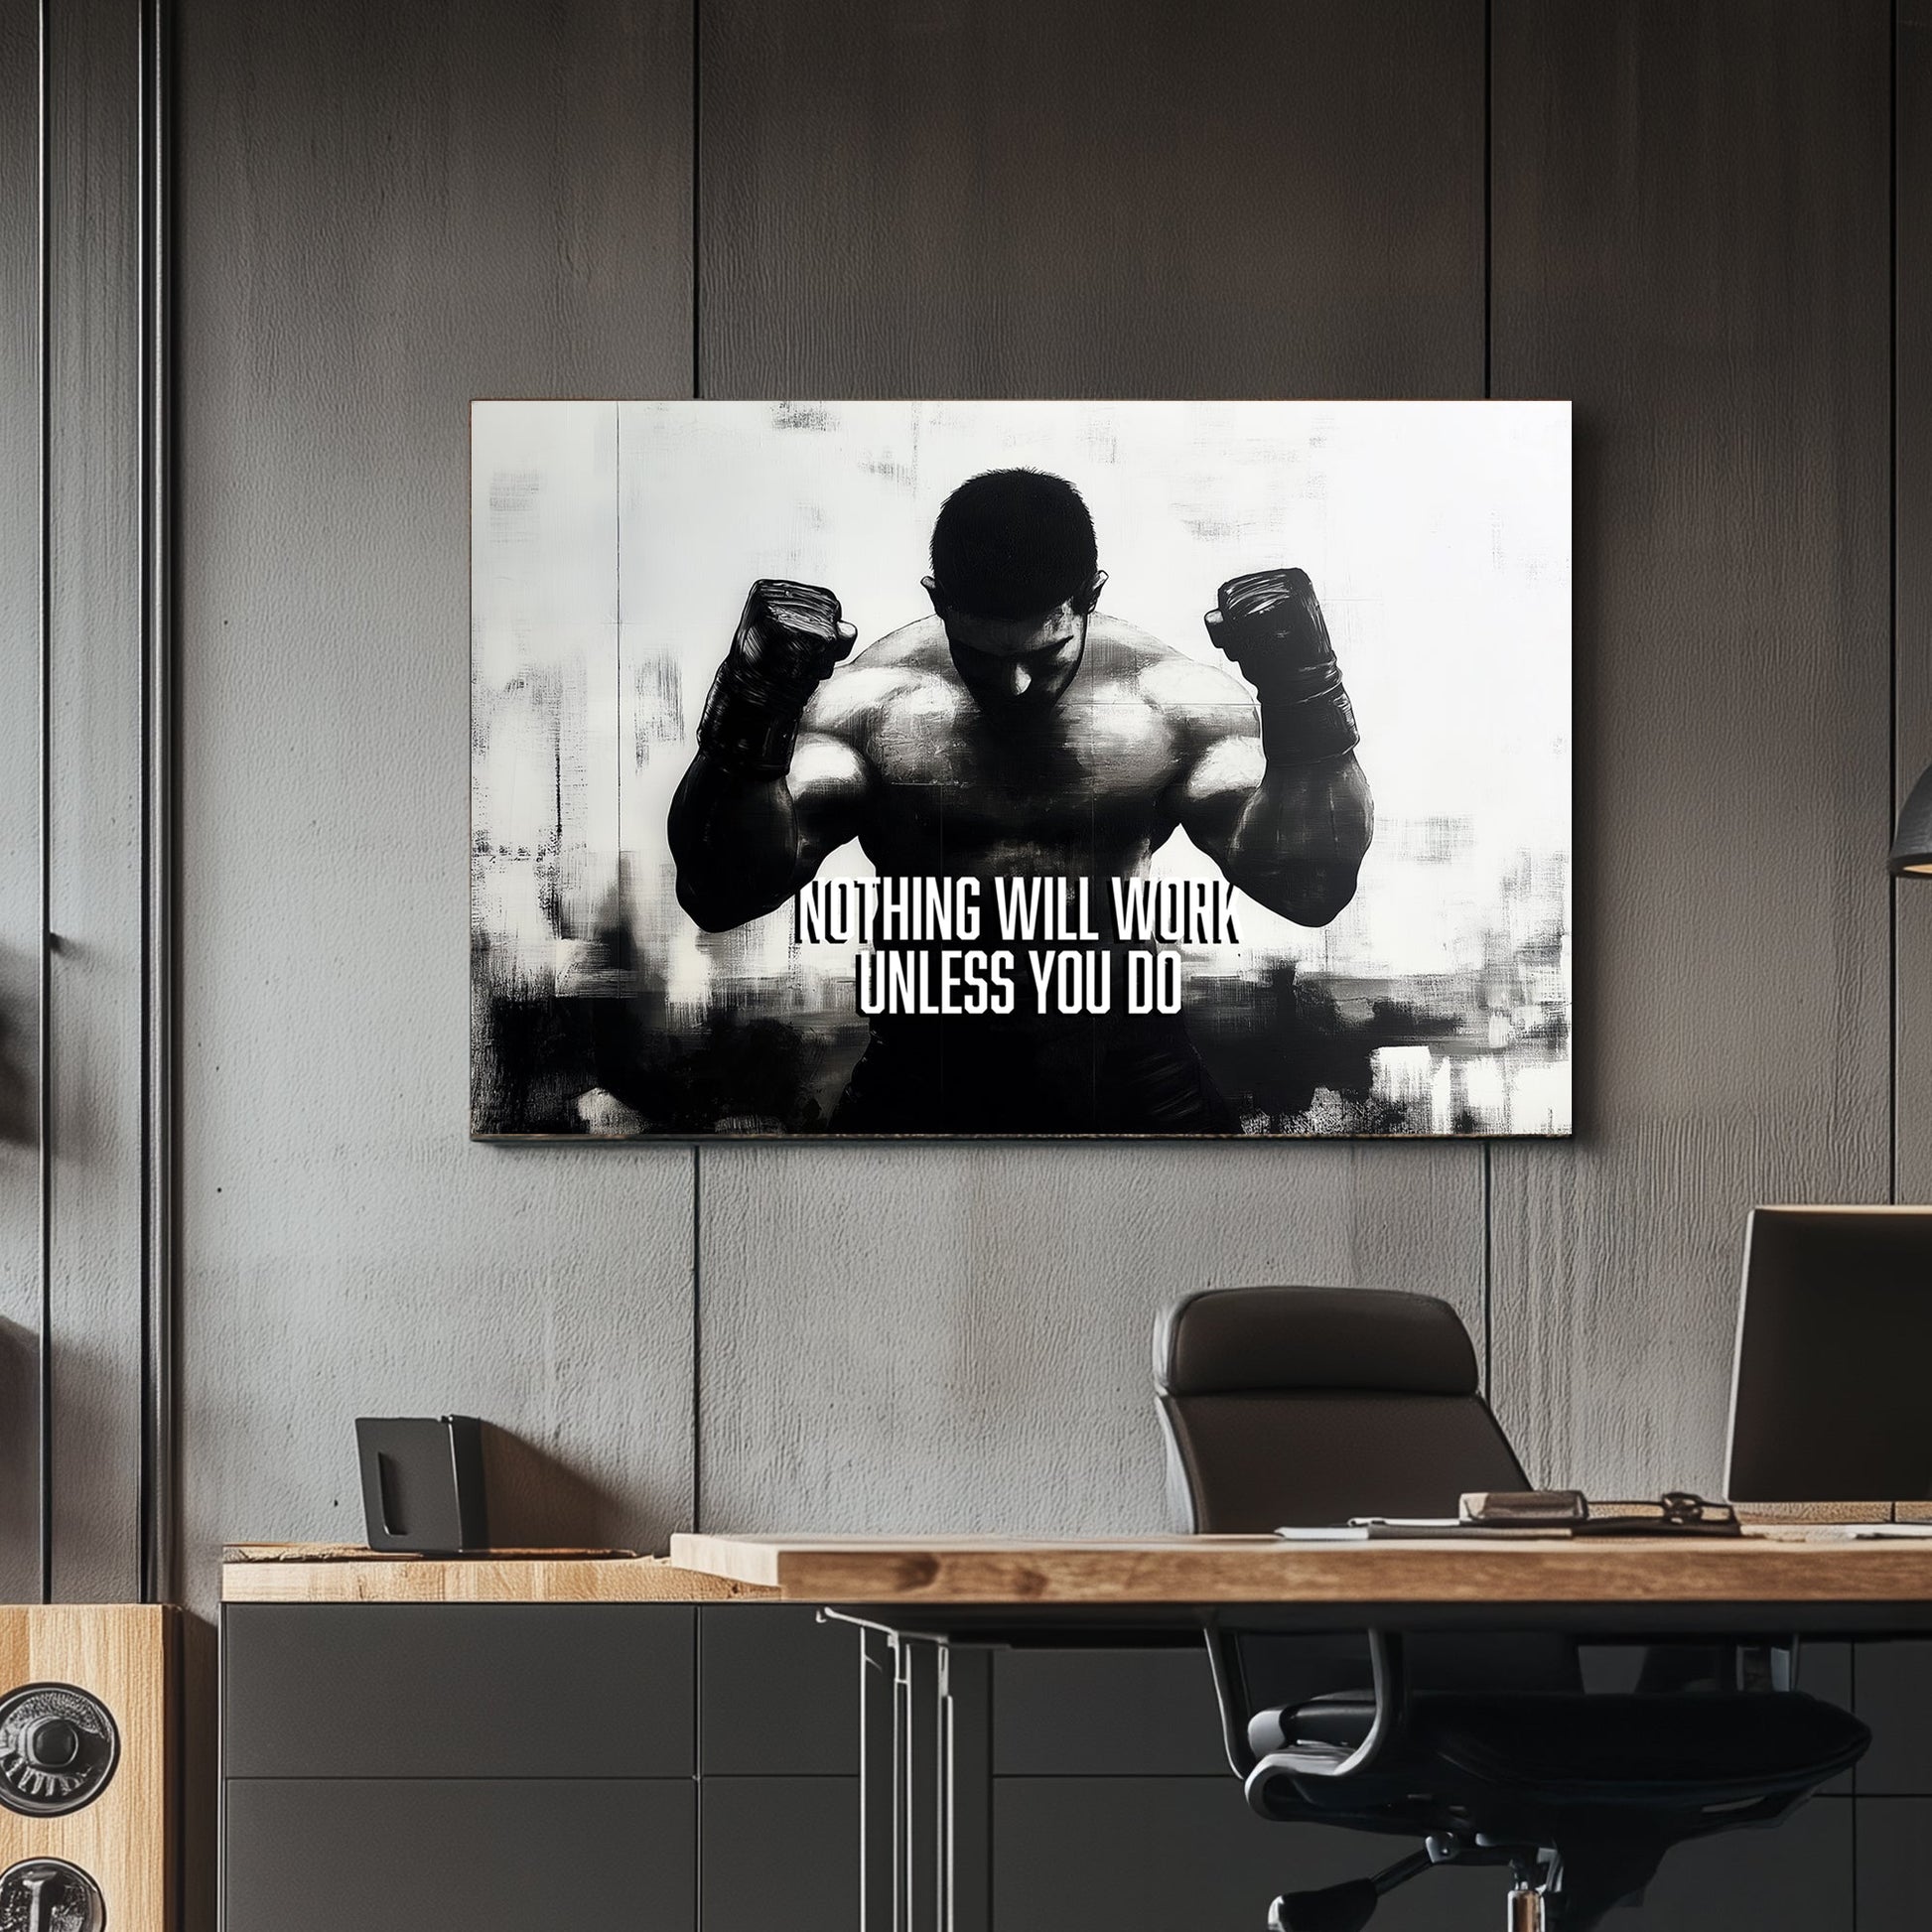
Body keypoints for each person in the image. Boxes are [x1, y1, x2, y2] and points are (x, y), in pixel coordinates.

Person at [667, 468, 1372, 1132]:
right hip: (921, 1083)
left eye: (1044, 655)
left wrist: (1302, 695)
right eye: (983, 656)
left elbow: (1309, 889)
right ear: (938, 598)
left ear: (1089, 595)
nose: (1012, 688)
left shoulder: (1171, 704)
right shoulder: (868, 707)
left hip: (1139, 1082)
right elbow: (721, 891)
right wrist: (752, 710)